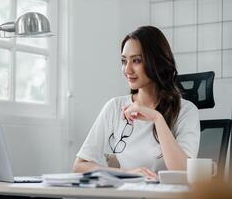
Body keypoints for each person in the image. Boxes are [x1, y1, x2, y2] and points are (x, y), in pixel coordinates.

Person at [73, 26, 200, 179]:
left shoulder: (186, 111)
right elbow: (80, 166)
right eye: (123, 61)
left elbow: (183, 172)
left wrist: (157, 118)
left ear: (157, 62)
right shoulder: (115, 107)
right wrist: (127, 173)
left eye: (136, 61)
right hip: (127, 192)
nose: (127, 69)